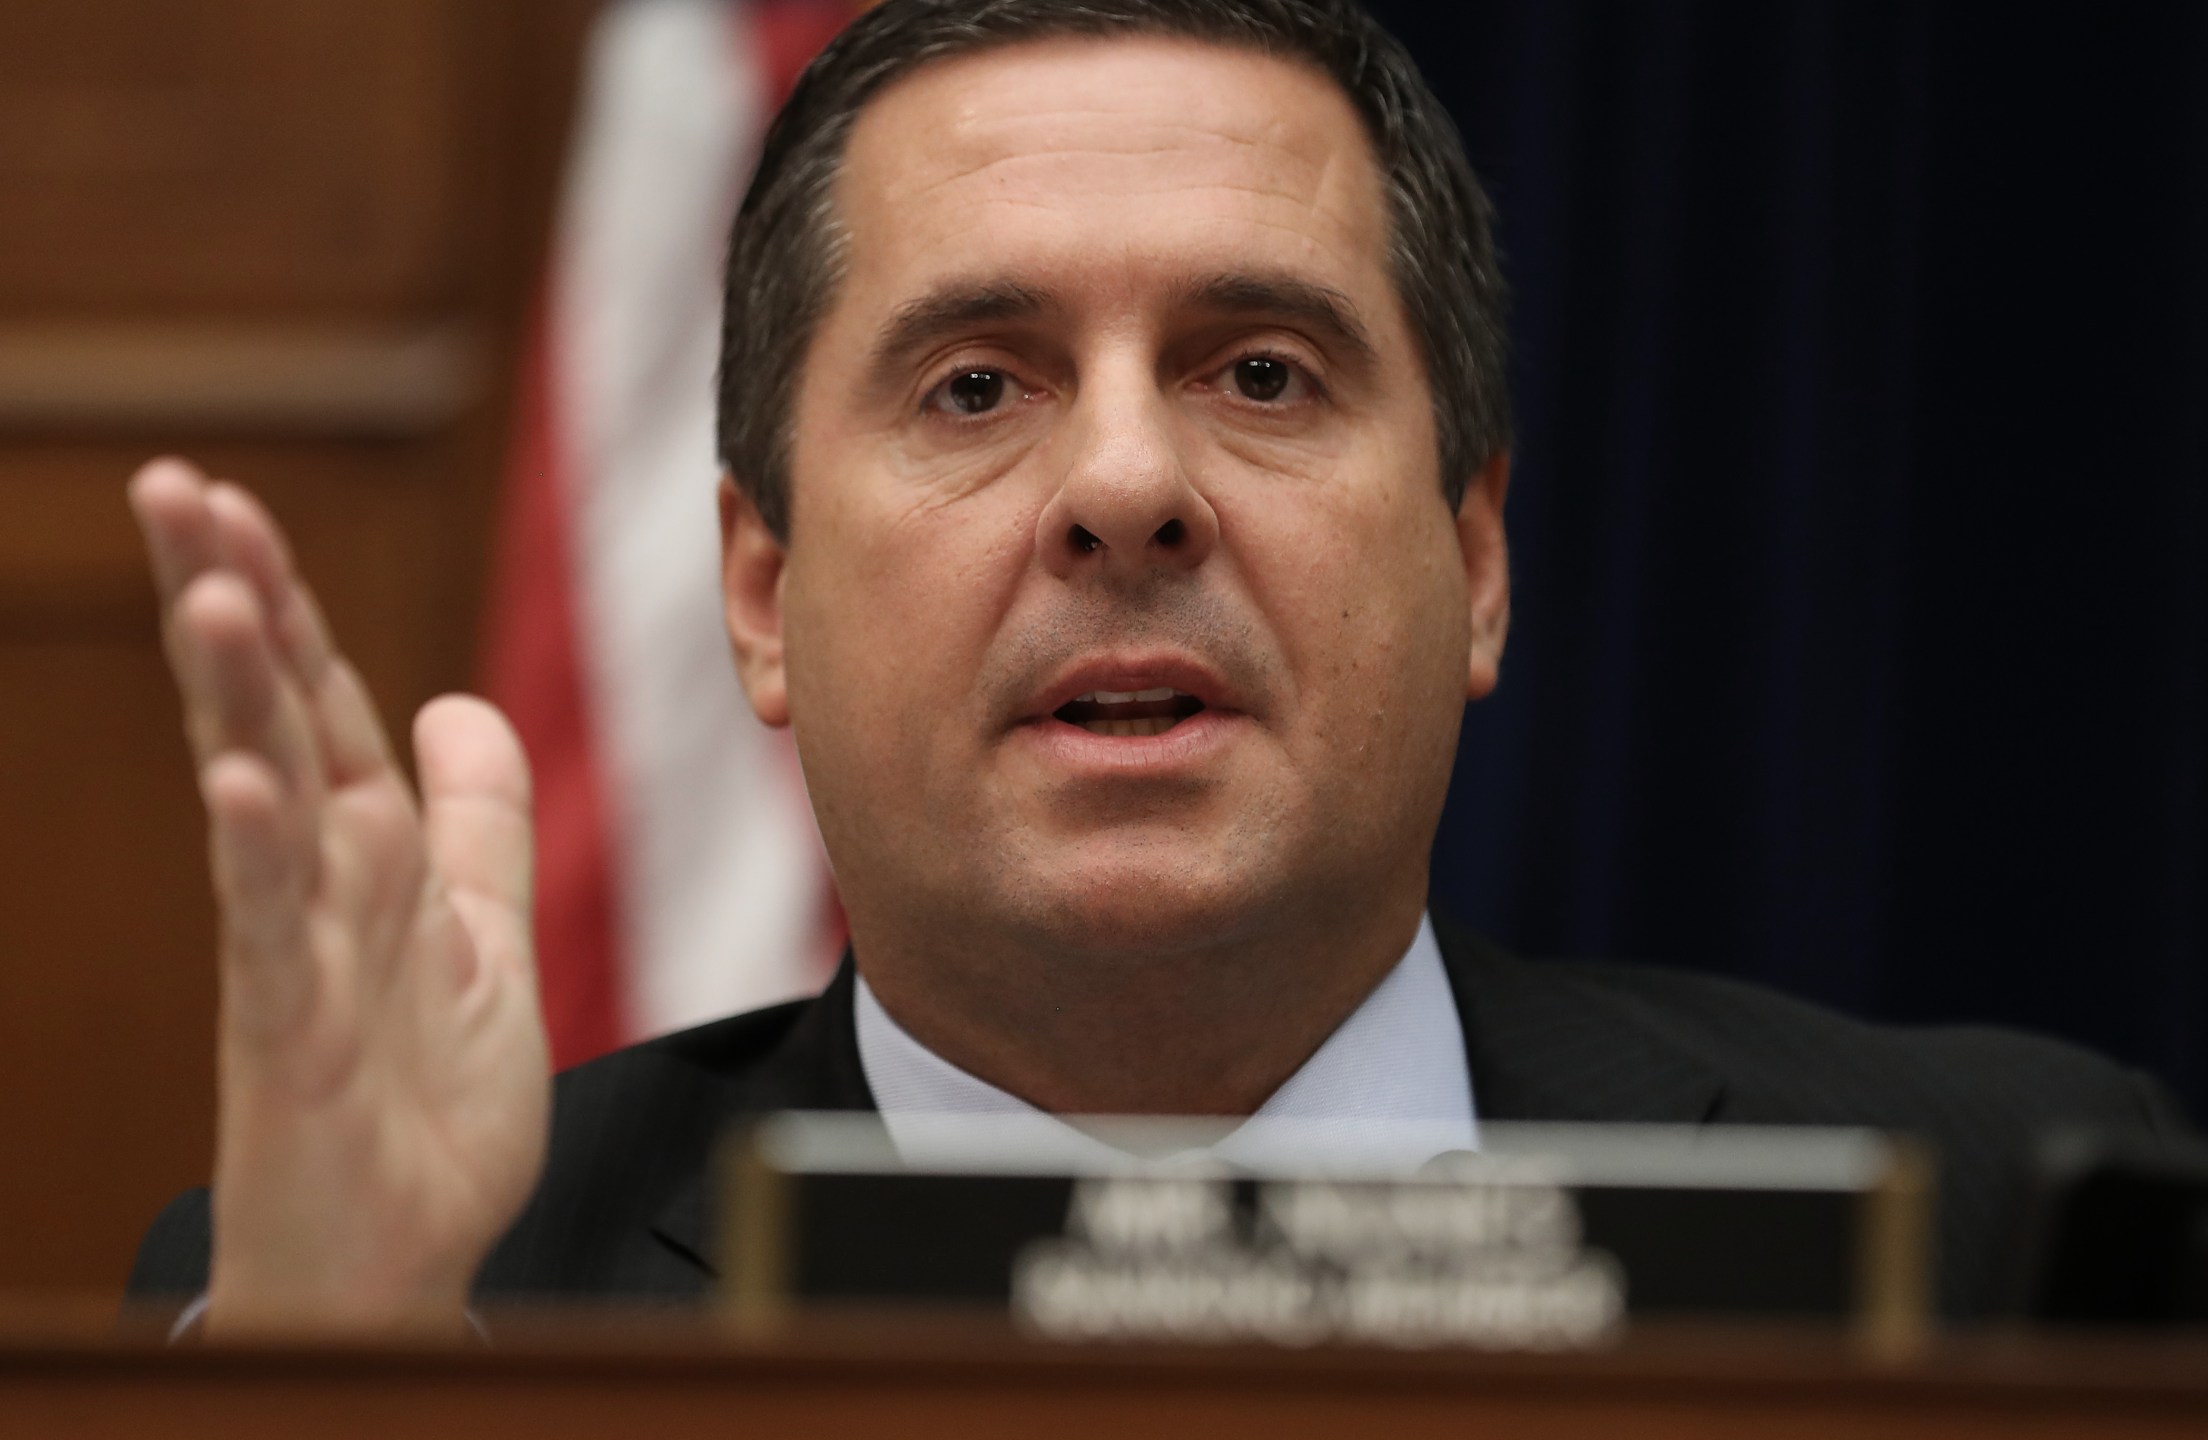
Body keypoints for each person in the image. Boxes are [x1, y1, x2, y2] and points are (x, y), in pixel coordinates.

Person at [124, 0, 2181, 1332]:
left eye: (1259, 371)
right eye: (972, 387)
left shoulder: (2001, 1233)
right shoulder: (393, 1303)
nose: (1122, 485)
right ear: (759, 599)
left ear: (1473, 561)